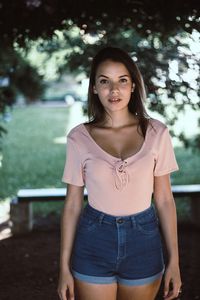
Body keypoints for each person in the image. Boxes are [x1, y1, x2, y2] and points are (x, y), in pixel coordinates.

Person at [57, 46, 182, 300]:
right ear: (93, 87)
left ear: (133, 85)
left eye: (122, 80)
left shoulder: (157, 133)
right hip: (93, 241)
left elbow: (165, 200)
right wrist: (63, 267)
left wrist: (175, 262)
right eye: (105, 81)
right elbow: (71, 205)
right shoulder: (79, 138)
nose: (114, 90)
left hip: (143, 242)